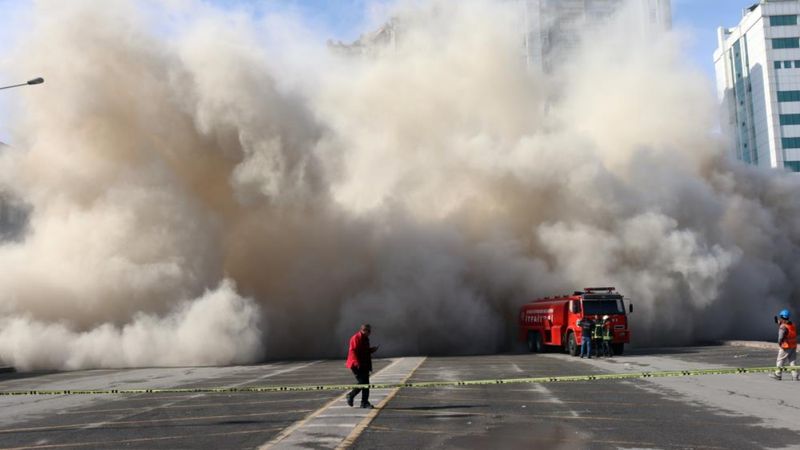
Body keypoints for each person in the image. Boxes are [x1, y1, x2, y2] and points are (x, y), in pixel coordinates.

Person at [345, 324, 379, 408]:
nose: (370, 332)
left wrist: (371, 350)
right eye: (368, 331)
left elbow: (364, 351)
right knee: (363, 382)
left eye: (370, 331)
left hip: (364, 364)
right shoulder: (356, 337)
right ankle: (351, 395)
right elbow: (353, 351)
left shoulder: (365, 339)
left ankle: (364, 402)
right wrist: (357, 363)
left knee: (365, 383)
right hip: (356, 364)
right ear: (363, 330)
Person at [770, 309, 797, 381]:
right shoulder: (792, 324)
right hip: (793, 347)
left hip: (785, 346)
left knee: (780, 360)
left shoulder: (783, 327)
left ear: (781, 317)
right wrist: (777, 322)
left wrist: (779, 343)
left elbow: (780, 337)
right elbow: (785, 325)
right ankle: (795, 376)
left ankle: (778, 374)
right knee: (792, 361)